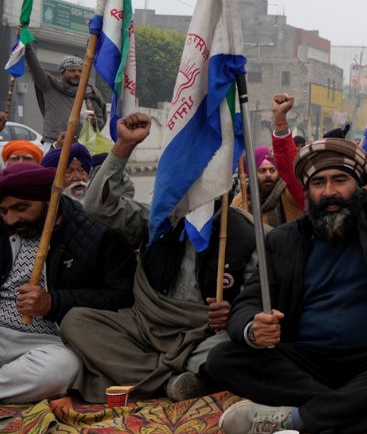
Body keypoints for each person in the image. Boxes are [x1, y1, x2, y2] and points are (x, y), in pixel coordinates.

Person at [206, 58, 367, 434]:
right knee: (224, 357)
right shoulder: (284, 240)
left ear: (359, 184)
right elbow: (248, 303)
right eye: (319, 183)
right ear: (307, 191)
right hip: (307, 360)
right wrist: (252, 330)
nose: (330, 192)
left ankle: (296, 419)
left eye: (340, 180)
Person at [60, 113, 255, 402]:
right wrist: (123, 147)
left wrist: (234, 314)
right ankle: (170, 381)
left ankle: (144, 374)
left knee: (226, 353)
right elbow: (98, 208)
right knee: (75, 322)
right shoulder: (158, 220)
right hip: (147, 327)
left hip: (203, 334)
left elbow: (258, 302)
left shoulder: (246, 233)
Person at [0, 162, 133, 401]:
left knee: (61, 369)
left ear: (50, 200)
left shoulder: (96, 235)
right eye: (3, 211)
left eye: (21, 208)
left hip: (46, 341)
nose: (10, 219)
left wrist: (53, 303)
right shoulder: (4, 228)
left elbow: (120, 297)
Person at [233, 95, 305, 229]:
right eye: (262, 171)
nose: (268, 175)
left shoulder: (289, 195)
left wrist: (280, 120)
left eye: (272, 170)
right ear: (251, 173)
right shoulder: (240, 201)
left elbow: (291, 170)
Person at [24, 46, 106, 144]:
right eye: (72, 70)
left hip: (83, 146)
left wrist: (94, 122)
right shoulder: (50, 86)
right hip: (54, 143)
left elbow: (100, 124)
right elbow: (35, 68)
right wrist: (27, 45)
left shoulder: (90, 93)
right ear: (62, 73)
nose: (77, 74)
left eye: (80, 71)